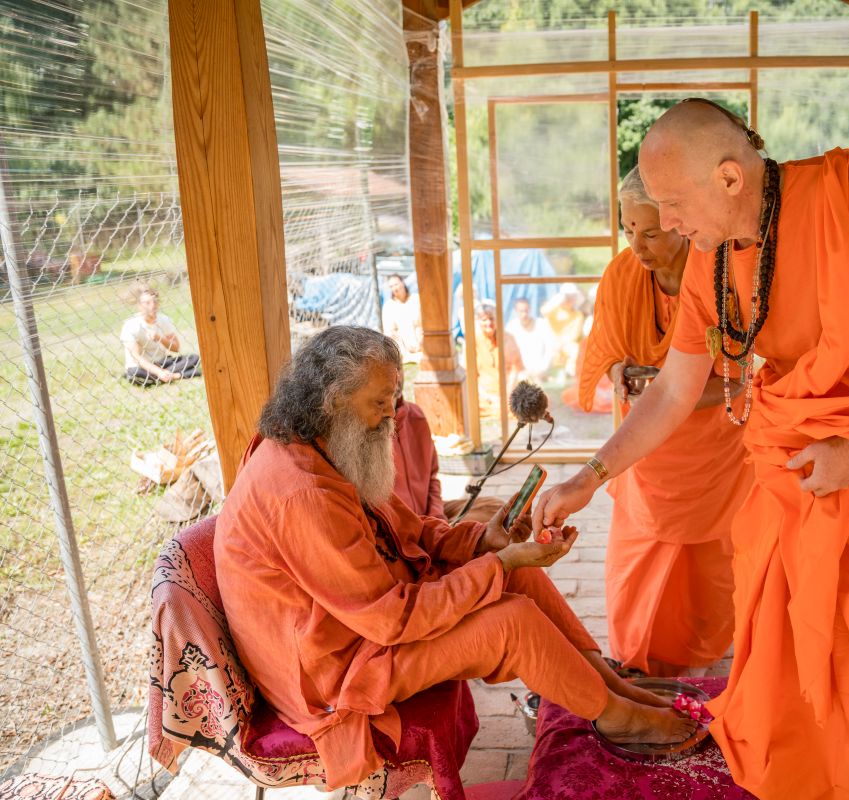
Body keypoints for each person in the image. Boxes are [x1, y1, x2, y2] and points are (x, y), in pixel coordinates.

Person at [533, 100, 849, 799]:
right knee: (793, 661)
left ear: (731, 178)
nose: (668, 225)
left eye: (674, 204)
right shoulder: (712, 261)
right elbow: (675, 390)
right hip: (801, 468)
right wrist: (591, 474)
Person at [214, 326, 694, 790]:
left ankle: (608, 683)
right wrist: (499, 565)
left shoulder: (326, 447)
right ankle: (617, 718)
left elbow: (411, 530)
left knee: (518, 580)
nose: (392, 417)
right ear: (333, 400)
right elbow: (390, 620)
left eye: (393, 400)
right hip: (337, 670)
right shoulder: (302, 494)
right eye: (379, 404)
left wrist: (485, 543)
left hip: (365, 624)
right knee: (510, 621)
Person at [575, 167, 753, 678]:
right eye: (627, 229)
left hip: (715, 447)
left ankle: (709, 659)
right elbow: (608, 348)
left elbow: (736, 378)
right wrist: (624, 374)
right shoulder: (620, 275)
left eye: (649, 232)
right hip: (644, 447)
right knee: (638, 560)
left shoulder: (722, 276)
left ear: (681, 222)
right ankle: (637, 660)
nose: (637, 244)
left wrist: (666, 387)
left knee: (710, 565)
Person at [120, 285, 202, 386]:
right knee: (134, 373)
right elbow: (137, 357)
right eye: (147, 303)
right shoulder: (131, 325)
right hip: (142, 367)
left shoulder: (164, 320)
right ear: (139, 306)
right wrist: (159, 372)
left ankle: (166, 376)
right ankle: (177, 375)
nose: (152, 305)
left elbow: (176, 348)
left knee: (194, 358)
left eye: (155, 301)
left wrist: (160, 338)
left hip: (162, 362)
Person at [391, 367, 444, 520]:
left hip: (430, 519)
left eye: (398, 368)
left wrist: (437, 518)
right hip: (399, 531)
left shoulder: (416, 415)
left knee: (493, 509)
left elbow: (432, 479)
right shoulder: (366, 430)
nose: (396, 377)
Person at [472, 300, 522, 419]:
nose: (489, 323)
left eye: (492, 318)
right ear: (478, 321)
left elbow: (515, 369)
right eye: (484, 320)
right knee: (472, 405)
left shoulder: (508, 338)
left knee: (527, 399)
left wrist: (507, 395)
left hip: (509, 390)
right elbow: (470, 376)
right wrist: (488, 397)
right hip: (484, 394)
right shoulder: (473, 340)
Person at [541, 284, 585, 377]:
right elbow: (544, 311)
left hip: (567, 345)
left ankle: (570, 374)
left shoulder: (578, 315)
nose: (570, 299)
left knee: (575, 350)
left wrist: (561, 344)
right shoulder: (554, 311)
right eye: (567, 296)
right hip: (552, 344)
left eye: (572, 297)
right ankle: (542, 375)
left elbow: (575, 335)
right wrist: (559, 299)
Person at [505, 297, 553, 382]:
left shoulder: (542, 324)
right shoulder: (511, 327)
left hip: (540, 371)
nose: (524, 314)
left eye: (526, 310)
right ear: (516, 311)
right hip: (520, 373)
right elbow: (508, 352)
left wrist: (542, 369)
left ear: (530, 309)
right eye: (521, 311)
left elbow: (550, 348)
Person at [382, 274, 422, 364]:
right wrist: (403, 351)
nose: (394, 288)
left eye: (396, 284)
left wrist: (421, 343)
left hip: (421, 343)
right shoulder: (389, 306)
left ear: (402, 283)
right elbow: (390, 332)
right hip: (403, 348)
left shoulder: (416, 299)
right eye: (391, 286)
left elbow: (424, 324)